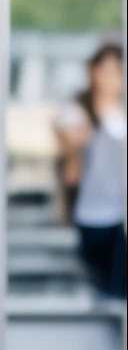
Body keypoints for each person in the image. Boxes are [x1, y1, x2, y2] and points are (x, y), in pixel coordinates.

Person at [55, 42, 125, 296]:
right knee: (104, 288)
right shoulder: (79, 113)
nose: (111, 79)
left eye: (116, 71)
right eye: (104, 70)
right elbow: (67, 142)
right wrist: (98, 117)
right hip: (94, 215)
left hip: (120, 215)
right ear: (93, 72)